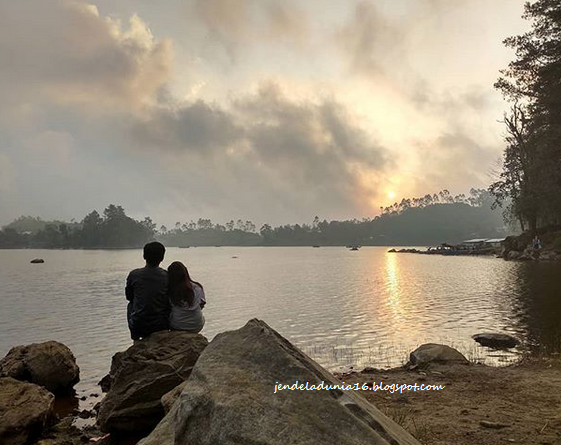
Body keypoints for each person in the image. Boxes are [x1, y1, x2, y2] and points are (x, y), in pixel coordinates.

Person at [126, 242, 170, 340]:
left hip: (139, 325)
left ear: (144, 256)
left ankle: (135, 339)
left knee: (130, 305)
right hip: (161, 325)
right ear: (162, 257)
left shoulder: (134, 275)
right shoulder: (167, 276)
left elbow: (129, 297)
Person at [168, 261, 206, 333]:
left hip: (177, 326)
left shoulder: (169, 290)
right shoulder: (197, 287)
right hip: (197, 325)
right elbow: (201, 305)